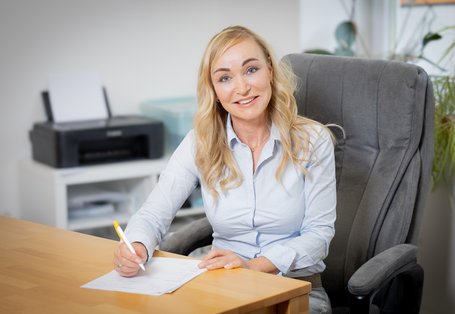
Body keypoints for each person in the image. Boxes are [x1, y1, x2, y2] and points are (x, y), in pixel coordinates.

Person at [113, 25, 336, 314]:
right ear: (215, 91)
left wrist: (253, 266)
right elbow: (154, 212)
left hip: (295, 287)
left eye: (251, 70)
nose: (242, 87)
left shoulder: (312, 140)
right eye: (225, 78)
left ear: (270, 70)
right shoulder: (200, 142)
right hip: (222, 285)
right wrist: (137, 246)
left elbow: (318, 235)